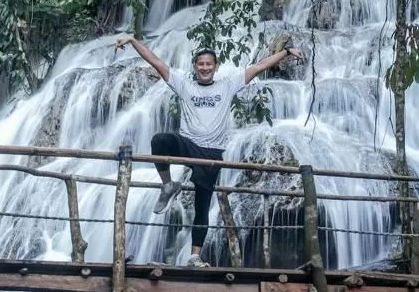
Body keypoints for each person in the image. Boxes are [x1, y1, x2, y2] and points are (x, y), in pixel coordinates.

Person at [114, 34, 305, 267]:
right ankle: (168, 185)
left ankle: (195, 255)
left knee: (202, 205)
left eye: (209, 64)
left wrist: (286, 52)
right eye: (201, 64)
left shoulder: (228, 84)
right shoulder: (184, 83)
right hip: (188, 144)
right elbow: (156, 62)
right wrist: (133, 42)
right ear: (195, 67)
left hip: (212, 152)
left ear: (216, 67)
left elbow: (259, 66)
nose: (205, 68)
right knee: (160, 141)